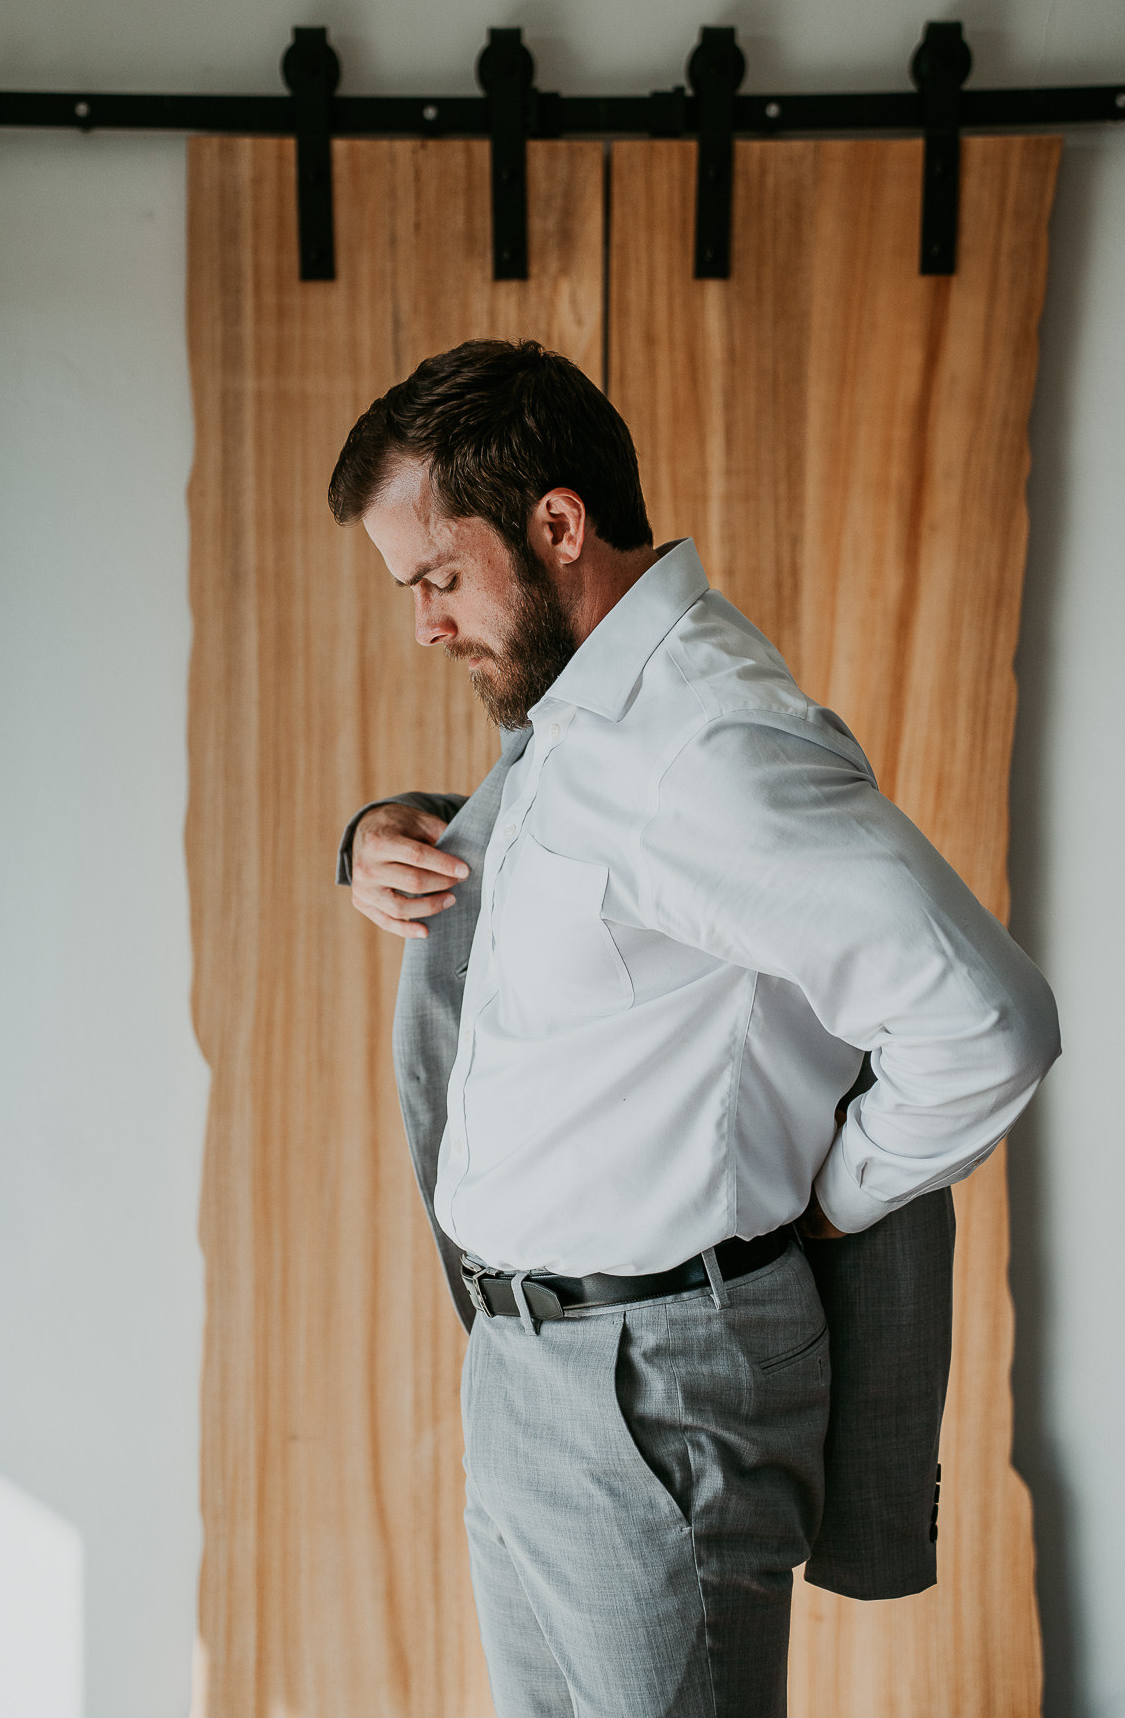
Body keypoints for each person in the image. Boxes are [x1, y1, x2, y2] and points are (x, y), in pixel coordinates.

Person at [330, 338, 1059, 1718]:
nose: (423, 624)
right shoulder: (585, 718)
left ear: (557, 525)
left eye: (436, 578)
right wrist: (373, 836)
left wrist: (833, 1203)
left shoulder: (705, 745)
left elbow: (990, 1022)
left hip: (649, 1393)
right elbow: (573, 899)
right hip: (535, 1373)